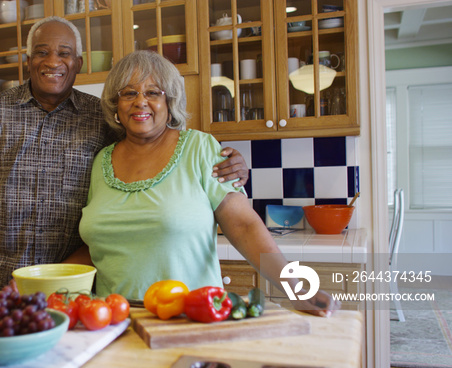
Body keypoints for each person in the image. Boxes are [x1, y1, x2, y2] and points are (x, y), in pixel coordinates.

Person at [0, 17, 249, 290]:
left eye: (64, 53)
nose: (53, 61)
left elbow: (152, 142)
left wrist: (229, 163)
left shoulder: (100, 118)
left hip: (74, 283)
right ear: (28, 61)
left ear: (79, 62)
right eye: (42, 52)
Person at [76, 50, 340, 317]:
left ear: (170, 103)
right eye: (128, 93)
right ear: (115, 105)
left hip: (191, 316)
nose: (140, 102)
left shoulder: (200, 148)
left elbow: (244, 226)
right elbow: (98, 244)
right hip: (113, 319)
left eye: (153, 93)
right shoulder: (101, 161)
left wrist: (295, 288)